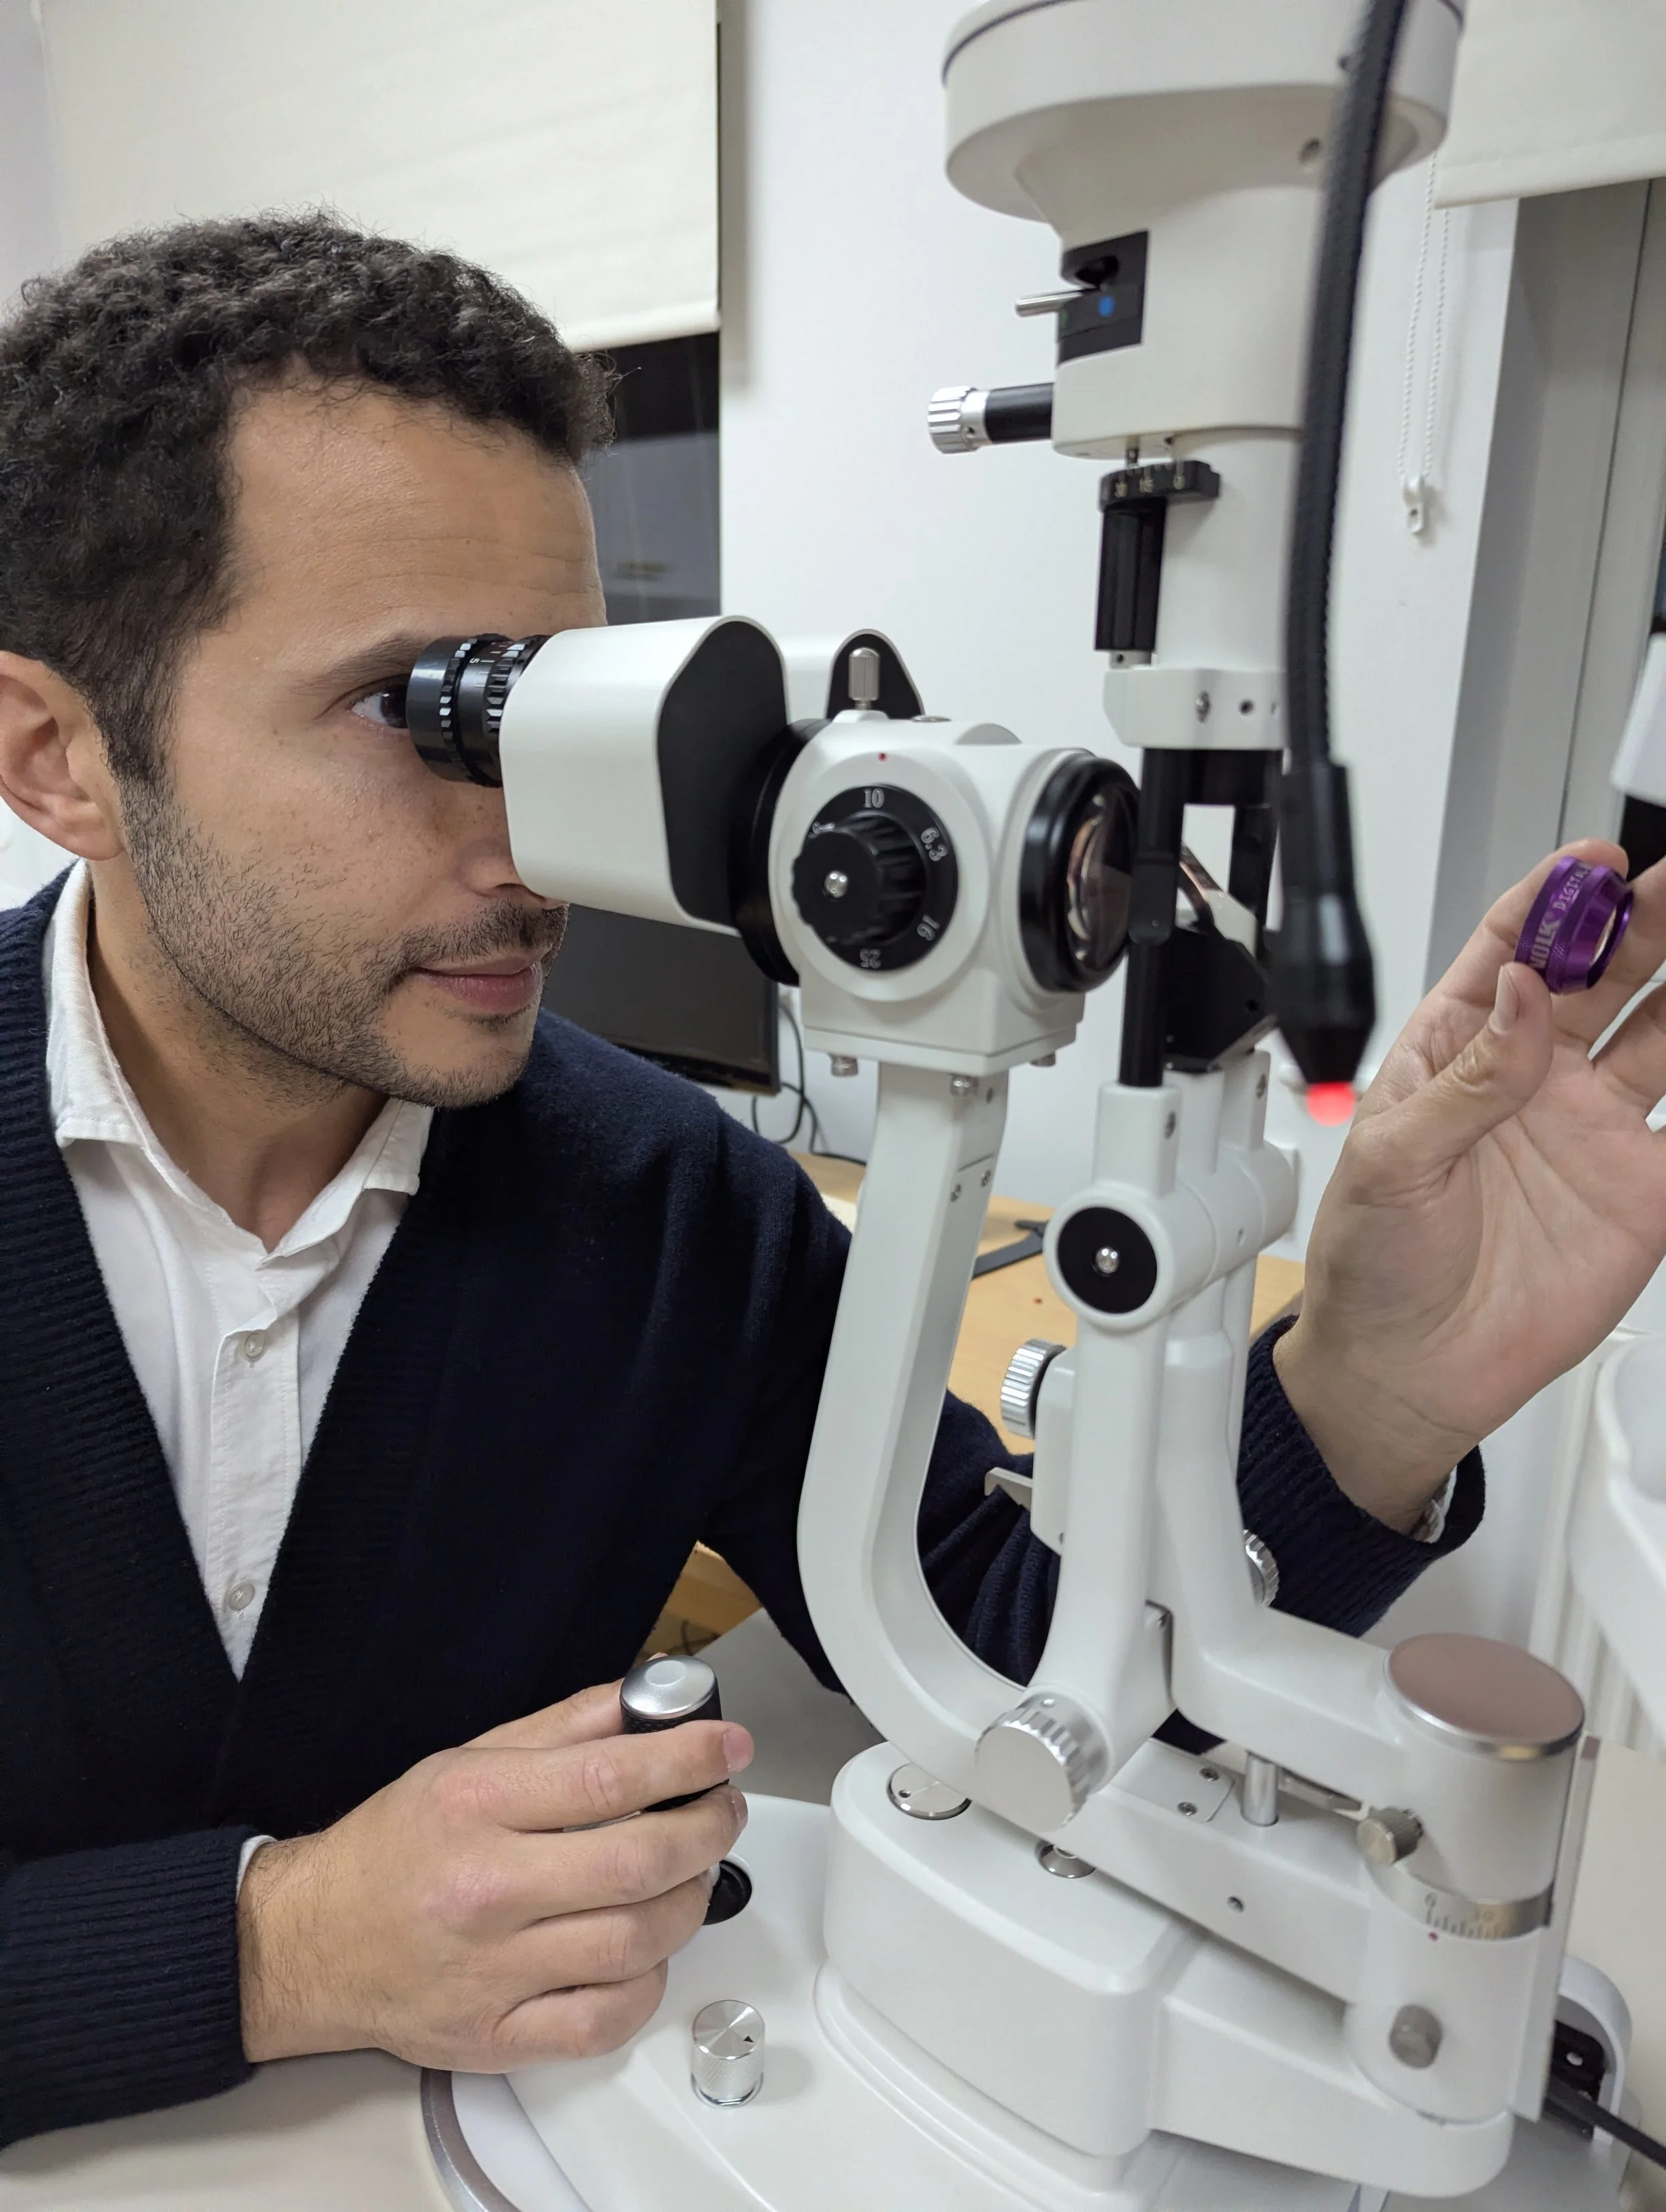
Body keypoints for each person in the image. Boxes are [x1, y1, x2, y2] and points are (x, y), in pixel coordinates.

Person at [0, 215, 1657, 2152]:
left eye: (544, 702)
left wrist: (1373, 1377)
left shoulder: (672, 1212)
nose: (532, 831)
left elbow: (1010, 1665)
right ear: (61, 755)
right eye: (419, 708)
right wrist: (269, 1949)